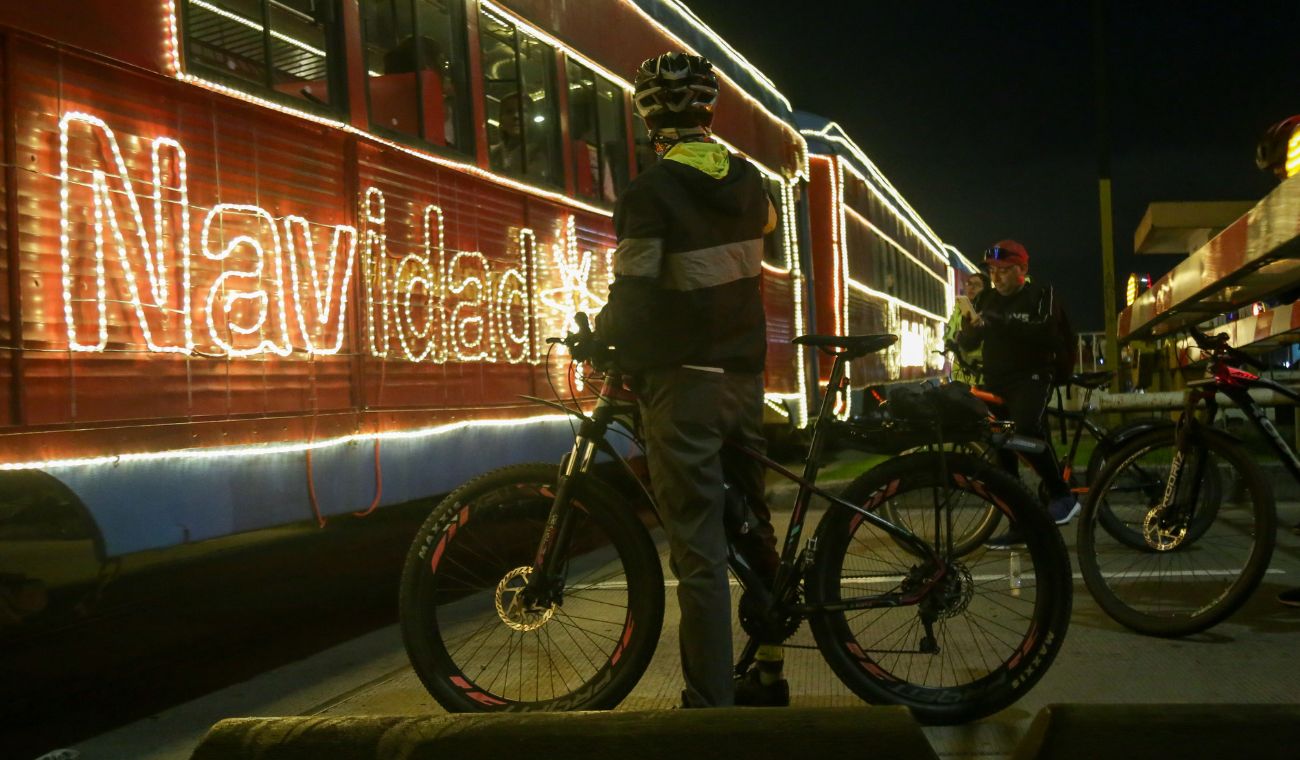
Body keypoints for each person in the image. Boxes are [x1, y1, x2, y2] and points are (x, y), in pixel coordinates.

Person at [592, 52, 784, 708]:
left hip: (684, 383)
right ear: (709, 111)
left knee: (699, 549)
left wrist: (602, 334)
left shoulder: (649, 193)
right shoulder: (750, 183)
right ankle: (769, 671)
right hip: (744, 377)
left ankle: (709, 704)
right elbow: (760, 237)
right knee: (751, 521)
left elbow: (635, 292)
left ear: (648, 119)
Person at [957, 240, 1078, 548]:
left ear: (1022, 268)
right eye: (992, 271)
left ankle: (1062, 494)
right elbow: (970, 343)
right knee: (1002, 450)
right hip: (996, 381)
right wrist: (969, 328)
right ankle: (1018, 524)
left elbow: (1045, 330)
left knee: (1025, 430)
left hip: (1032, 377)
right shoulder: (986, 300)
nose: (996, 277)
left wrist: (999, 322)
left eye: (1004, 270)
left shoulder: (1042, 295)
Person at [945, 271, 988, 384]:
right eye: (969, 283)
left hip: (980, 378)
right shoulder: (959, 310)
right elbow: (948, 334)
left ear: (986, 290)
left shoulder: (989, 312)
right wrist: (955, 337)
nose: (971, 287)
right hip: (959, 376)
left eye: (977, 285)